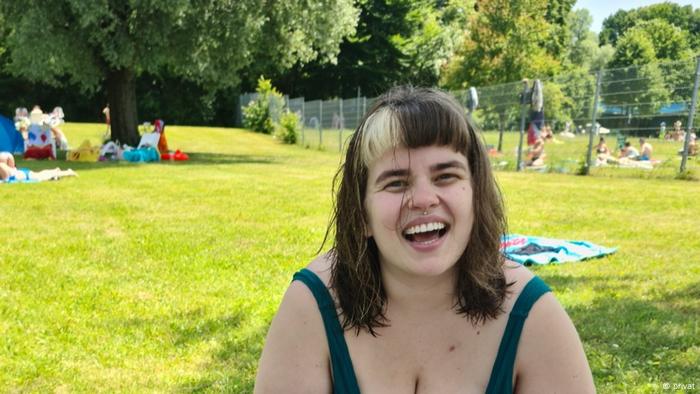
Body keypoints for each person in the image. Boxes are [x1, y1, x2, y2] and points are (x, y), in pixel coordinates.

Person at [255, 87, 594, 393]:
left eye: (446, 176)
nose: (422, 199)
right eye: (396, 182)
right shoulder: (312, 306)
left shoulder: (533, 316)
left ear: (476, 196)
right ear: (361, 215)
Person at [0, 151, 76, 182]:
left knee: (42, 175)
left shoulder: (2, 165)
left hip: (21, 175)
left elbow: (6, 179)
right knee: (41, 174)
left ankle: (68, 172)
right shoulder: (3, 161)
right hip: (20, 173)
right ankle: (55, 170)